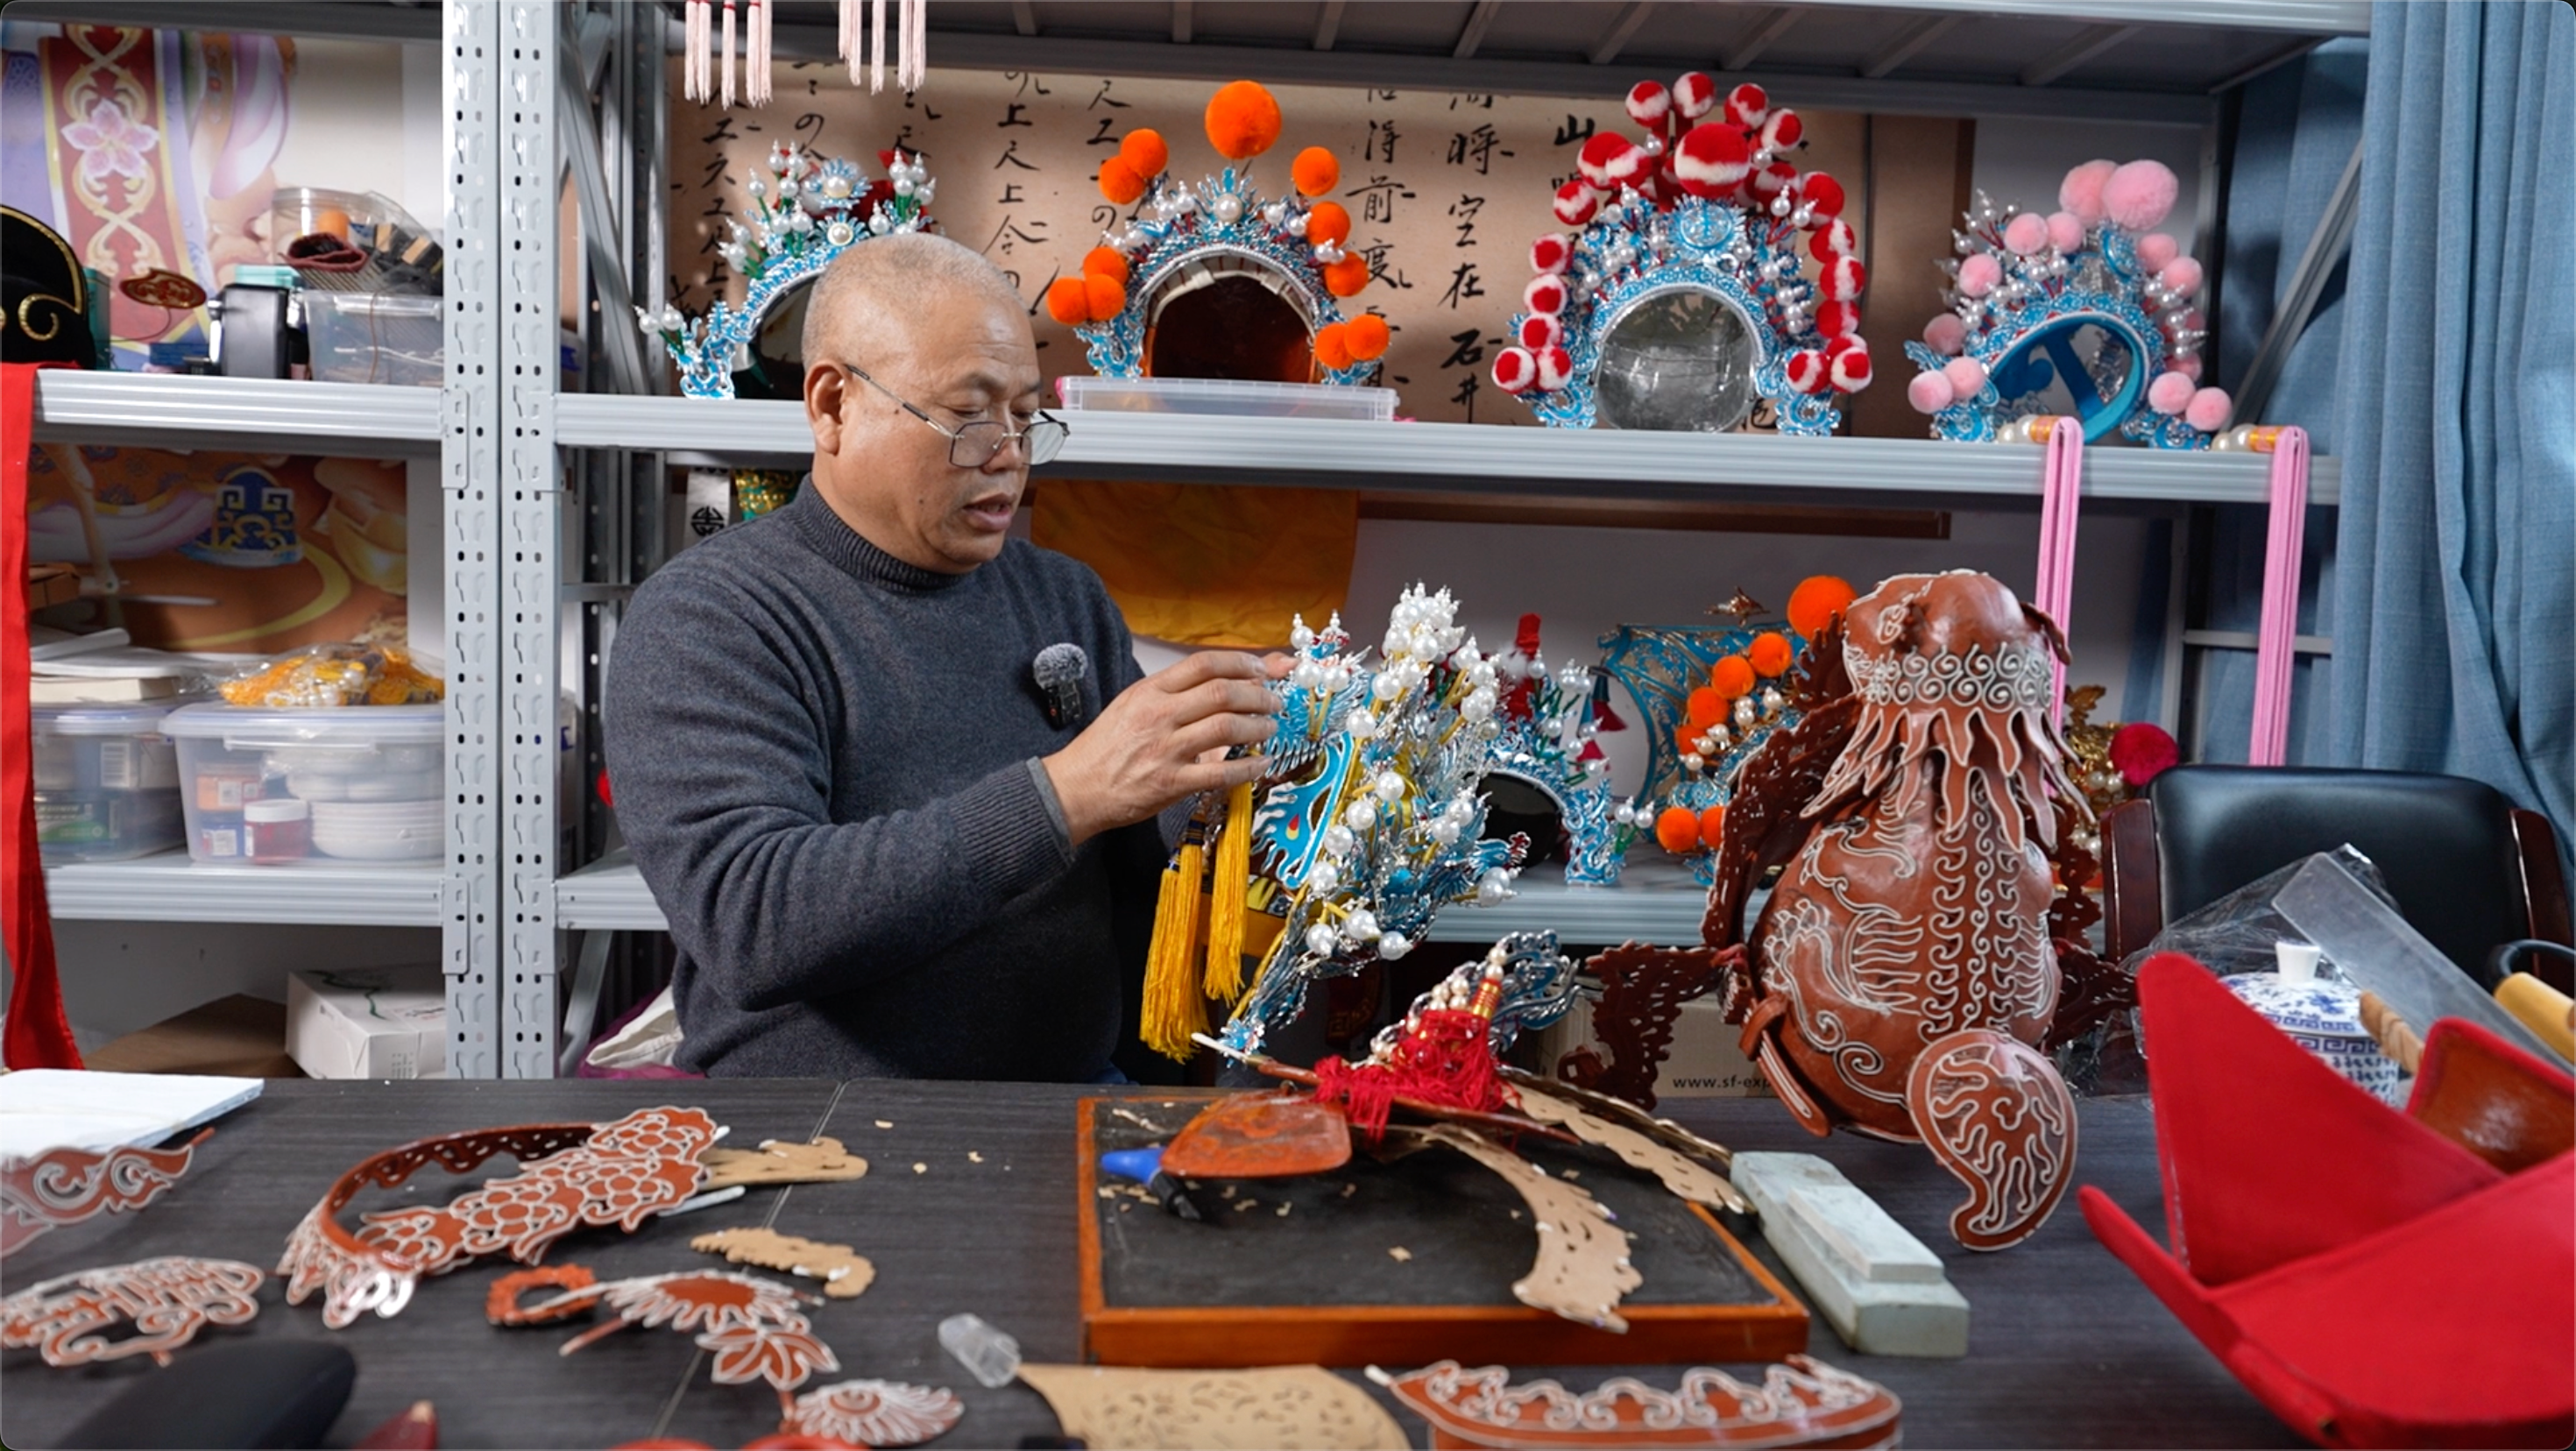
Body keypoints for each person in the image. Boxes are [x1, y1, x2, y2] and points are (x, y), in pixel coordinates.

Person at [605, 232, 1281, 1079]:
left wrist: (1224, 772)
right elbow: (755, 922)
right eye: (968, 414)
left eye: (1027, 418)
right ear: (832, 405)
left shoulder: (1063, 596)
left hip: (1069, 1101)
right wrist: (1066, 793)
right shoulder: (712, 617)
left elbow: (1139, 852)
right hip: (820, 1130)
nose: (1008, 454)